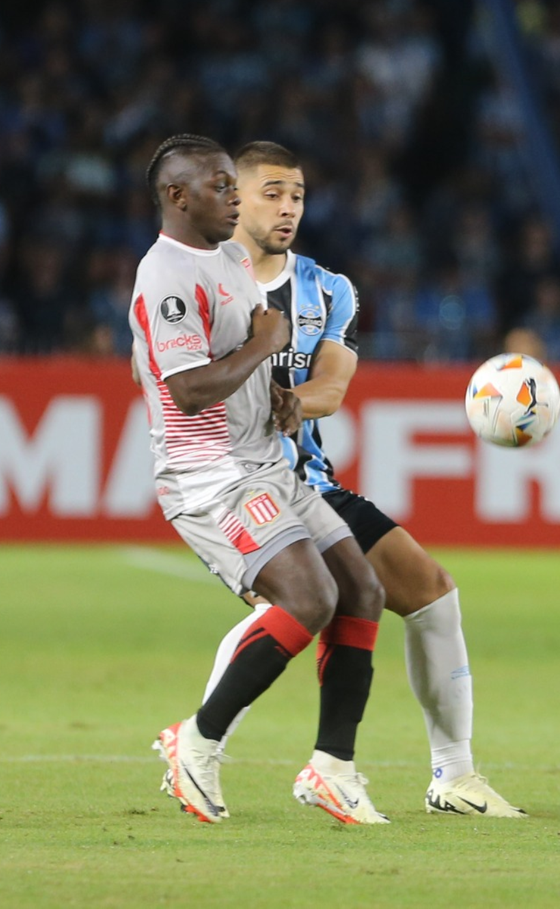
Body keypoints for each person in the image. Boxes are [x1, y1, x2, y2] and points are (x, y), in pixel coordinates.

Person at [192, 140, 526, 818]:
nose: (288, 208)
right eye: (273, 193)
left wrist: (293, 401)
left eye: (299, 195)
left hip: (307, 480)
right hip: (231, 483)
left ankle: (453, 776)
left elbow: (334, 387)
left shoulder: (328, 288)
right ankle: (203, 745)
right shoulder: (198, 282)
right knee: (294, 606)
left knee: (431, 591)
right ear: (235, 196)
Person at [130, 134, 387, 825]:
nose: (234, 197)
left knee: (363, 588)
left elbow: (257, 352)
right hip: (208, 476)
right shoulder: (166, 275)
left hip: (267, 460)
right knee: (309, 595)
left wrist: (277, 389)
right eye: (220, 186)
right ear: (177, 196)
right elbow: (186, 389)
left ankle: (332, 766)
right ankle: (197, 740)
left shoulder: (231, 263)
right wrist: (263, 346)